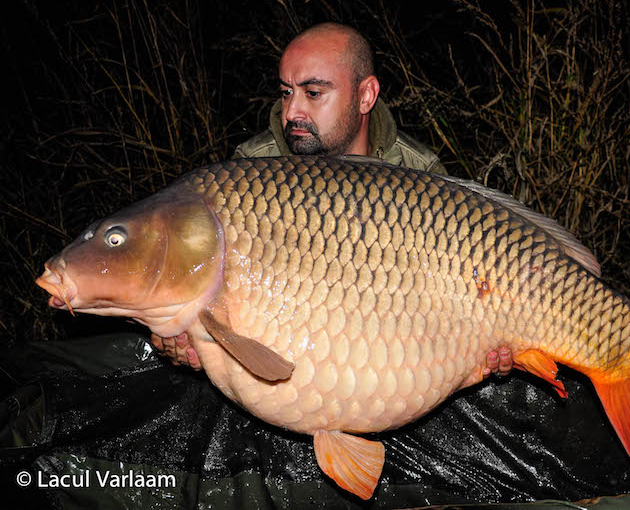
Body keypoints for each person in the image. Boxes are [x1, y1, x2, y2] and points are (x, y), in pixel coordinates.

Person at [150, 22, 513, 378]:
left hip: (393, 358)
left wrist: (487, 337)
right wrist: (187, 338)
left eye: (313, 93)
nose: (292, 112)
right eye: (286, 92)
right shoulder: (251, 169)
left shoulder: (419, 170)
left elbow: (455, 294)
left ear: (365, 95)